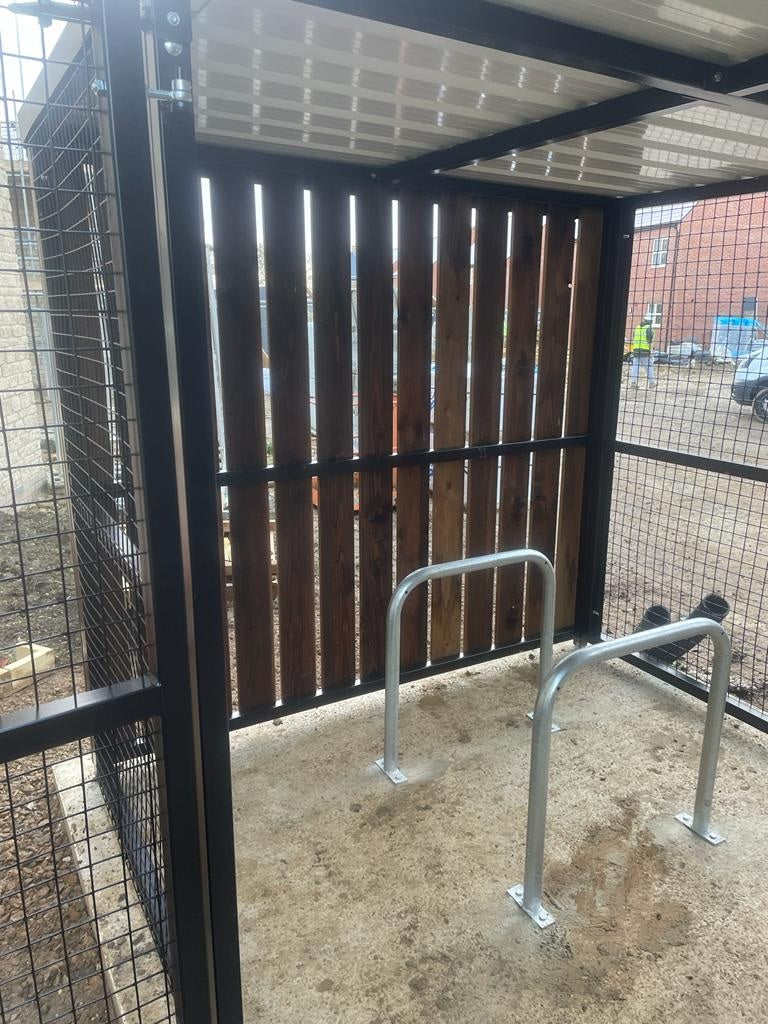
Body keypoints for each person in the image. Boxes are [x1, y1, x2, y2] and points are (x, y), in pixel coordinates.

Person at [630, 318, 657, 389]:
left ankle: (633, 383)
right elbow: (650, 341)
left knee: (635, 366)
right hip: (644, 351)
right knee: (649, 367)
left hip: (636, 350)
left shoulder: (637, 328)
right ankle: (651, 383)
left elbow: (634, 338)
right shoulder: (649, 329)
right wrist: (651, 351)